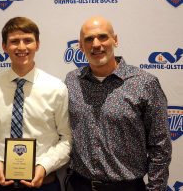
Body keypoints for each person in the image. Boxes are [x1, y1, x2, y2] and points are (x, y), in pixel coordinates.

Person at [64, 16, 172, 191]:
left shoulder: (144, 83)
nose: (96, 44)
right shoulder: (72, 81)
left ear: (115, 40)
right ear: (81, 46)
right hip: (78, 185)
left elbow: (160, 146)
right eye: (89, 39)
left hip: (126, 187)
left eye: (103, 37)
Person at [0, 17, 71, 191]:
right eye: (14, 42)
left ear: (37, 44)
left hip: (44, 184)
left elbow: (66, 138)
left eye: (28, 40)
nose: (21, 47)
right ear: (4, 47)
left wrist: (44, 166)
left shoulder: (56, 88)